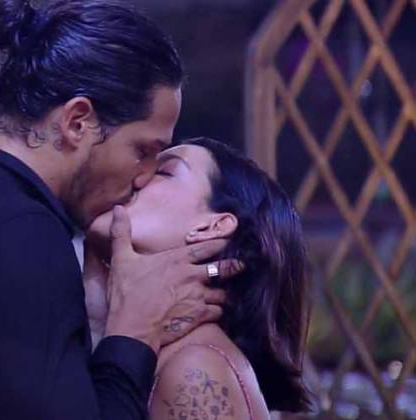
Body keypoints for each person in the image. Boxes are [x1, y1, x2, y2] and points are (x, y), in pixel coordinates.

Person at [0, 2, 240, 420]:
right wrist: (135, 329)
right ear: (77, 122)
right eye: (142, 150)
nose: (143, 177)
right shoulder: (20, 231)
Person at [85, 138, 312, 419]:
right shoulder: (163, 353)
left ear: (212, 226)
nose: (138, 177)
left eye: (163, 171)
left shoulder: (195, 370)